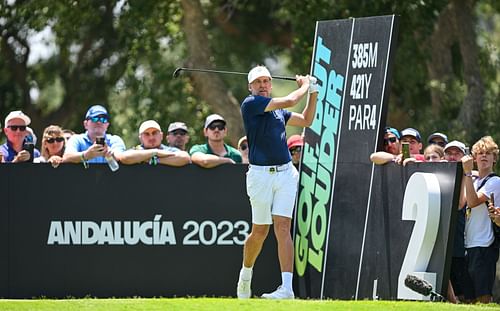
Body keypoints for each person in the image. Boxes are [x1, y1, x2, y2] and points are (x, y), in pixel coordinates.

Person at [236, 65, 318, 300]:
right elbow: (291, 100)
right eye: (258, 82)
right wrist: (303, 86)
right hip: (260, 175)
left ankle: (287, 289)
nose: (263, 85)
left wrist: (313, 93)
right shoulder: (250, 104)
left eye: (266, 81)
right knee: (260, 231)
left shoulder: (278, 112)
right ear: (250, 87)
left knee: (283, 227)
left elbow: (306, 119)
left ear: (271, 85)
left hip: (285, 173)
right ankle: (246, 273)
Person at [461, 136, 500, 303]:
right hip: (469, 243)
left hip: (485, 243)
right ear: (474, 158)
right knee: (468, 298)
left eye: (488, 153)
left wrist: (468, 172)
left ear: (494, 159)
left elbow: (472, 201)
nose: (484, 156)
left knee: (483, 295)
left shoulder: (496, 181)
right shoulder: (475, 180)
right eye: (480, 153)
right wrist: (469, 174)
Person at [118, 120, 190, 166]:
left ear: (161, 136)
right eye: (146, 134)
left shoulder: (168, 150)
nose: (151, 137)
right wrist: (155, 152)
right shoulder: (137, 150)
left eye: (154, 133)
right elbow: (124, 157)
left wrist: (155, 161)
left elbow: (185, 157)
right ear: (140, 138)